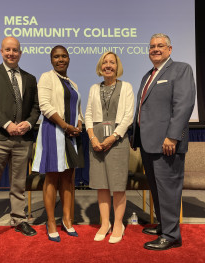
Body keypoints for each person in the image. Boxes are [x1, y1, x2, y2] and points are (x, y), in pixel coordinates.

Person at [131, 33, 195, 251]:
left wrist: (172, 136)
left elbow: (184, 105)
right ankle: (163, 226)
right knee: (158, 189)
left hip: (167, 143)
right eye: (151, 46)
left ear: (170, 49)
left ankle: (171, 235)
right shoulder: (148, 75)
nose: (155, 49)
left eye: (160, 46)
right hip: (149, 144)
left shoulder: (181, 69)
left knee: (168, 190)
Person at [0, 36, 40, 249]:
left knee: (19, 184)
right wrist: (6, 124)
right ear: (1, 51)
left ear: (20, 53)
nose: (11, 53)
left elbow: (35, 107)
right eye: (7, 50)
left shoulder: (30, 78)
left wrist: (28, 124)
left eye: (15, 50)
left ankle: (19, 219)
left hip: (22, 138)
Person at [32, 45, 84, 242]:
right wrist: (65, 125)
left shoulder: (73, 83)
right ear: (51, 60)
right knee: (52, 177)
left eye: (64, 56)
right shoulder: (47, 77)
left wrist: (79, 123)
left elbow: (77, 108)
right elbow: (44, 106)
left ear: (69, 59)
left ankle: (68, 220)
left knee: (69, 178)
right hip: (54, 131)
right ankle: (51, 222)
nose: (60, 59)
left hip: (71, 135)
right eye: (56, 57)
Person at [85, 51, 134, 244]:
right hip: (96, 140)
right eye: (104, 62)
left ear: (117, 66)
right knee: (101, 185)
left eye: (112, 62)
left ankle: (118, 224)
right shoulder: (93, 88)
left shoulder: (127, 87)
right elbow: (88, 113)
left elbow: (128, 116)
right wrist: (92, 137)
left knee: (118, 185)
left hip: (118, 140)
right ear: (100, 66)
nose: (108, 65)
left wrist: (113, 137)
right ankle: (105, 224)